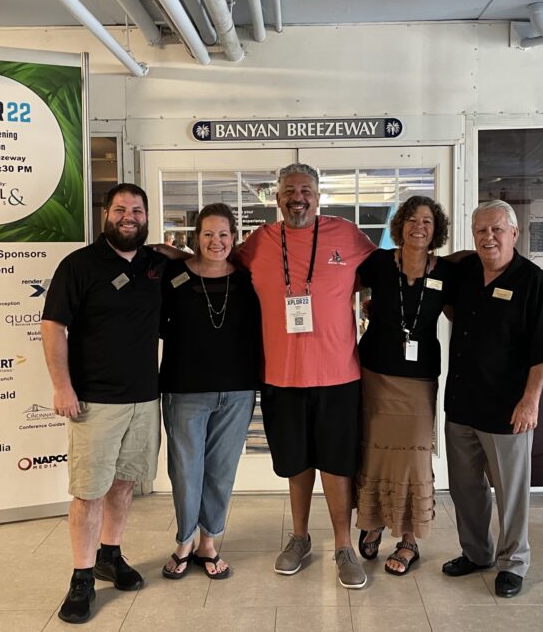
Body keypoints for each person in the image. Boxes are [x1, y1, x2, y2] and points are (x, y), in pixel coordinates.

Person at [237, 163, 377, 589]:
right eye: (289, 191)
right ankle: (300, 538)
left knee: (336, 465)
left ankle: (344, 546)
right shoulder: (257, 243)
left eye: (305, 191)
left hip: (338, 375)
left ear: (318, 196)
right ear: (277, 197)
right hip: (281, 376)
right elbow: (216, 263)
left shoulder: (347, 235)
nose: (297, 198)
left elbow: (385, 273)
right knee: (296, 464)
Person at [41, 183, 165, 624]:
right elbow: (52, 326)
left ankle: (109, 555)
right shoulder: (79, 265)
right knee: (89, 491)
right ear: (105, 214)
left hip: (144, 398)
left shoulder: (155, 264)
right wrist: (62, 387)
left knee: (124, 483)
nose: (129, 216)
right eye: (120, 209)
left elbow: (194, 265)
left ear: (146, 217)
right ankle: (81, 577)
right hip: (95, 401)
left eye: (137, 210)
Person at [442, 199, 543, 598]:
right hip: (462, 403)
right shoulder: (465, 272)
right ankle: (476, 553)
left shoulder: (532, 282)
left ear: (515, 233)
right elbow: (445, 292)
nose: (489, 237)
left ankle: (513, 563)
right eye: (481, 230)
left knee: (510, 494)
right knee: (465, 489)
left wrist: (531, 401)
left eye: (497, 229)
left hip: (507, 408)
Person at [159, 203, 261, 581]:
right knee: (186, 471)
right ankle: (185, 540)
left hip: (237, 390)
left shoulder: (249, 279)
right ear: (196, 237)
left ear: (234, 238)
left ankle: (209, 542)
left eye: (223, 234)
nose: (216, 241)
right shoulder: (172, 275)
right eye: (207, 234)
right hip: (185, 390)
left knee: (221, 472)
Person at [355, 196, 452, 576]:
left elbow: (466, 314)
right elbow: (338, 288)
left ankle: (409, 539)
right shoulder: (379, 263)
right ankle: (373, 521)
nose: (418, 227)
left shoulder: (446, 271)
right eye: (411, 219)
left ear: (436, 229)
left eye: (427, 221)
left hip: (419, 380)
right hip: (375, 374)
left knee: (414, 459)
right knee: (375, 455)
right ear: (400, 225)